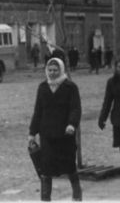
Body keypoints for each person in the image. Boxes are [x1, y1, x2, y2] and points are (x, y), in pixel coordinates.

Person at [28, 58, 82, 201]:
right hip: (47, 135)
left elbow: (75, 109)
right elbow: (38, 111)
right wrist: (32, 133)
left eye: (55, 70)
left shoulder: (70, 87)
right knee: (46, 169)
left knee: (69, 166)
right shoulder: (43, 87)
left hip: (65, 135)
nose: (52, 73)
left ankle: (77, 194)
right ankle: (45, 199)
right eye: (50, 70)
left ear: (61, 70)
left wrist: (72, 124)